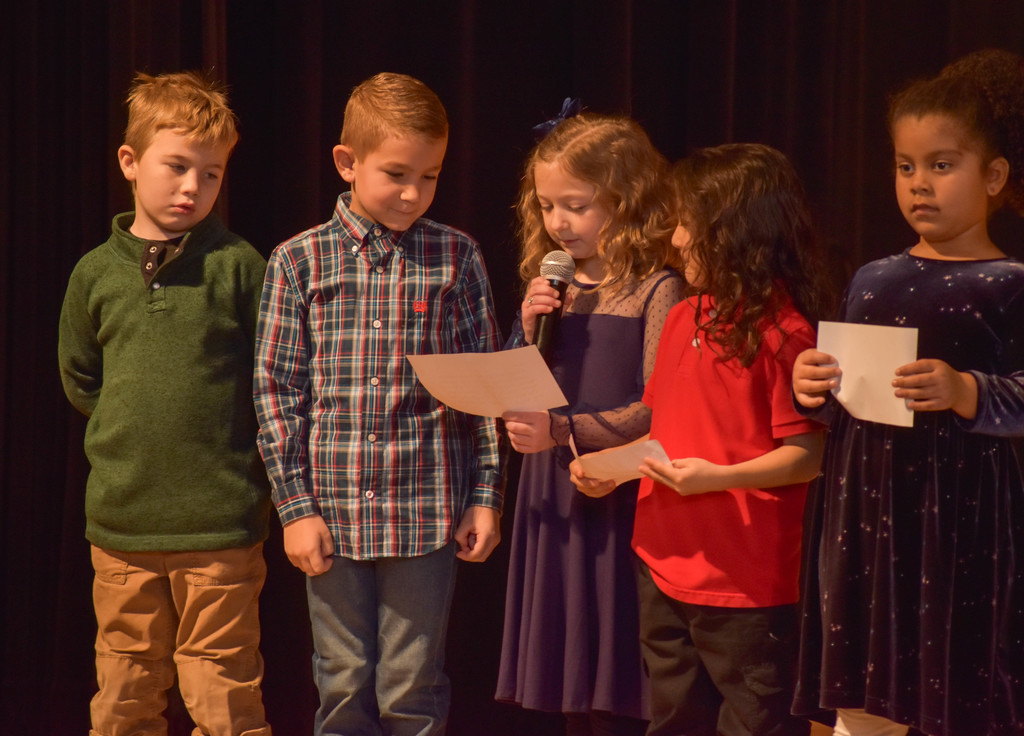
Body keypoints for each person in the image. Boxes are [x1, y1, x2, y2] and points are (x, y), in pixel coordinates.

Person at [252, 72, 504, 736]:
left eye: (430, 175)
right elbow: (277, 396)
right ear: (347, 161)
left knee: (412, 686)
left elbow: (484, 393)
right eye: (396, 173)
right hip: (332, 513)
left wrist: (485, 494)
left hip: (425, 512)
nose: (413, 192)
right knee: (340, 682)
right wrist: (296, 509)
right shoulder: (298, 262)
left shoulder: (456, 257)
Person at [790, 49, 1024, 736]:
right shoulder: (871, 278)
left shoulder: (1009, 283)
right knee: (864, 692)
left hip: (961, 520)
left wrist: (967, 390)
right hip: (864, 514)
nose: (920, 184)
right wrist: (814, 386)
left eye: (942, 165)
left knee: (958, 684)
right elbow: (847, 395)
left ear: (994, 177)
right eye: (906, 166)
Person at [575, 143, 836, 736]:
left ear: (734, 231)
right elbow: (660, 422)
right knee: (673, 718)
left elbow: (806, 456)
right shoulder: (681, 317)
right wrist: (608, 470)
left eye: (690, 223)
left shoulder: (785, 334)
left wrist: (718, 478)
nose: (678, 239)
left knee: (754, 721)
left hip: (742, 582)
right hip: (662, 560)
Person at [58, 71, 272, 736]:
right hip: (124, 529)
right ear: (130, 162)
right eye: (177, 167)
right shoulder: (95, 273)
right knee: (125, 685)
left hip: (219, 527)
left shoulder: (239, 266)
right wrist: (134, 439)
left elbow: (272, 374)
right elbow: (80, 376)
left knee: (222, 684)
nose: (192, 188)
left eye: (210, 175)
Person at [496, 110, 685, 736]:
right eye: (547, 206)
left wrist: (564, 431)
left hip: (617, 495)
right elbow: (514, 386)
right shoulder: (550, 289)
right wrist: (525, 333)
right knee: (568, 675)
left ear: (625, 202)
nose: (557, 223)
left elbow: (659, 407)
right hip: (551, 490)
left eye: (575, 206)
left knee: (619, 672)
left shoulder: (659, 289)